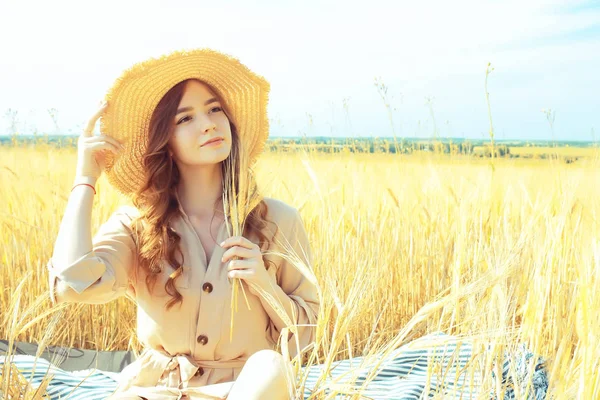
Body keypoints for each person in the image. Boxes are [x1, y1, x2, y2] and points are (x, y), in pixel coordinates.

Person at [46, 49, 320, 400]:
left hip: (244, 390)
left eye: (215, 109)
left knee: (271, 366)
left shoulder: (278, 221)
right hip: (157, 391)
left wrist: (264, 283)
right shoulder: (137, 224)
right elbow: (72, 283)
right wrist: (85, 179)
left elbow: (306, 336)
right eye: (185, 118)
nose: (208, 123)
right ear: (165, 142)